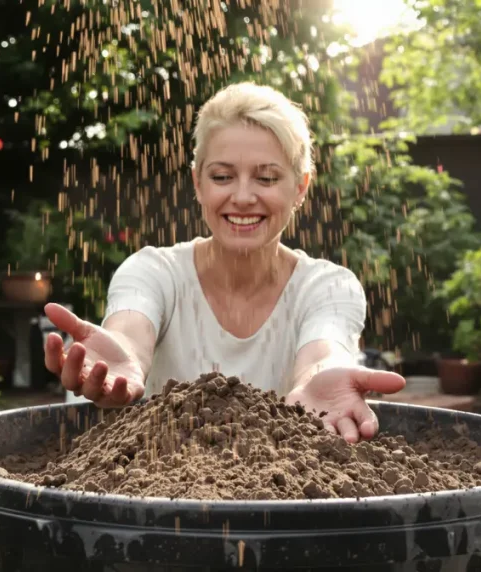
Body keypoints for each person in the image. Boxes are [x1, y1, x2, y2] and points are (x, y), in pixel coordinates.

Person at [43, 82, 405, 444]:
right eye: (222, 177)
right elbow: (130, 335)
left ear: (300, 187)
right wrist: (124, 356)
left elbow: (323, 353)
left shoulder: (328, 287)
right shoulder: (153, 272)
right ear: (198, 183)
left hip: (286, 496)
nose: (244, 196)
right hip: (158, 489)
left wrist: (321, 377)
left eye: (266, 178)